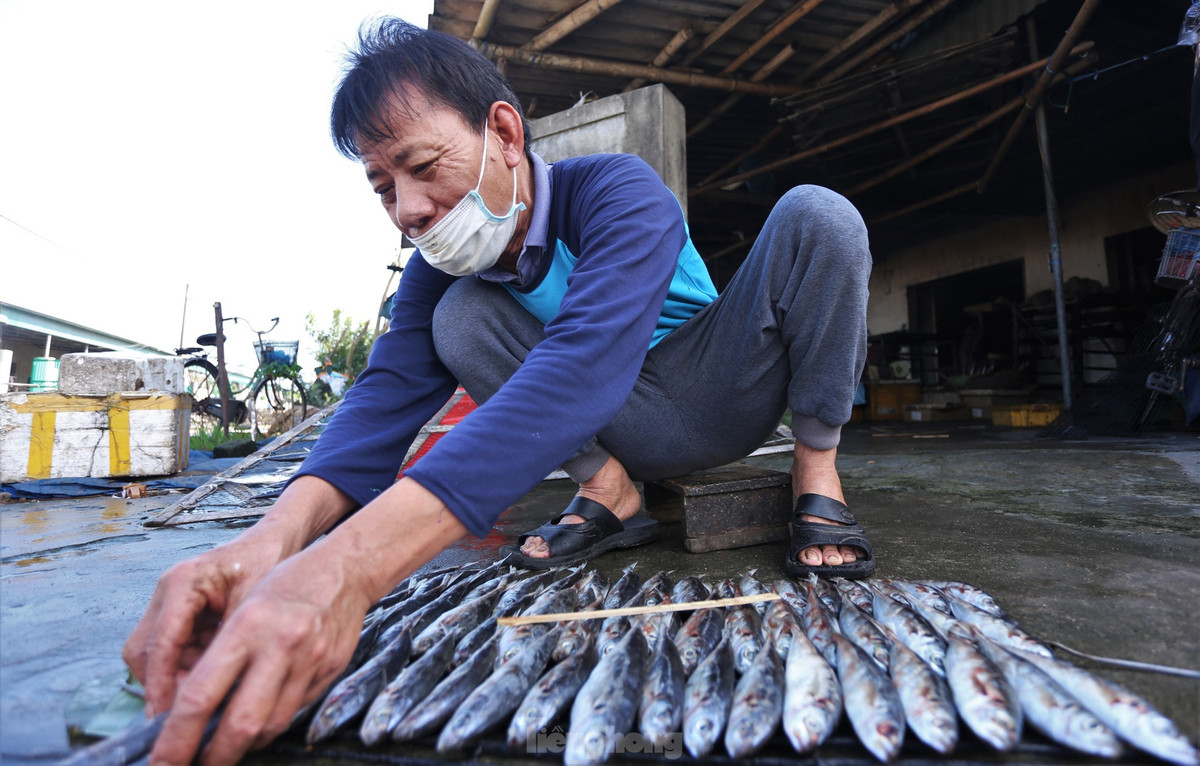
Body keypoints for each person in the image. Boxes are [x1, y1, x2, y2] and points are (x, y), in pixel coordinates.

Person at [123, 18, 872, 764]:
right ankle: (610, 493)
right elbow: (382, 398)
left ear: (505, 134)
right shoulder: (437, 270)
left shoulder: (617, 190)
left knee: (816, 214)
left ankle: (816, 471)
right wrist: (267, 544)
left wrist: (349, 569)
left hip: (716, 390)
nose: (408, 210)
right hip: (621, 426)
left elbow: (582, 364)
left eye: (422, 166)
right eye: (384, 189)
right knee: (459, 316)